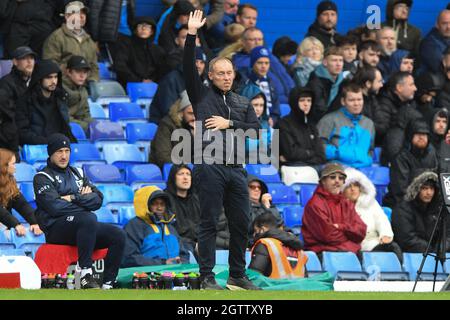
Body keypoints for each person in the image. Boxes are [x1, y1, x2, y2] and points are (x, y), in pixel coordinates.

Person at [184, 10, 261, 290]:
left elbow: (256, 130)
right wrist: (192, 35)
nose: (226, 77)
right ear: (211, 76)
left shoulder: (242, 101)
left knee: (242, 224)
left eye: (230, 73)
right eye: (221, 73)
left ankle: (237, 275)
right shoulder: (201, 96)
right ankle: (206, 277)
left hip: (237, 169)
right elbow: (187, 69)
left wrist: (229, 123)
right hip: (209, 166)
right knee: (209, 224)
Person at [33, 133, 126, 289]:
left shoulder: (78, 173)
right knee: (88, 218)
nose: (64, 156)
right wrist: (83, 200)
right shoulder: (42, 177)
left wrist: (72, 198)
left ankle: (109, 282)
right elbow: (55, 208)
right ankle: (85, 273)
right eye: (59, 152)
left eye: (67, 151)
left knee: (118, 234)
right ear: (51, 153)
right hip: (56, 228)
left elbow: (98, 199)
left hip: (82, 227)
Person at [302, 163, 367, 254]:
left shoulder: (346, 203)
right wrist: (350, 237)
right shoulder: (315, 204)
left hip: (346, 250)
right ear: (323, 181)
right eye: (332, 177)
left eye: (341, 178)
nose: (337, 181)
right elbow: (328, 236)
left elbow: (361, 231)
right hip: (322, 253)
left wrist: (341, 227)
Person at [343, 168, 403, 262]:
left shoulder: (370, 202)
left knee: (393, 248)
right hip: (357, 246)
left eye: (355, 185)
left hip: (375, 242)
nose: (353, 189)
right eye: (348, 186)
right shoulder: (340, 206)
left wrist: (385, 235)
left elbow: (382, 220)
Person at [122, 185, 189, 267]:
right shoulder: (134, 226)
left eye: (162, 204)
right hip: (146, 277)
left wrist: (181, 262)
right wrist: (163, 263)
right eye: (155, 204)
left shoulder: (170, 227)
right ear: (145, 205)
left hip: (174, 275)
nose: (160, 208)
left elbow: (184, 254)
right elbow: (129, 258)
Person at [15, 59, 77, 146]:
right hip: (36, 148)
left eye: (55, 77)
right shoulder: (25, 101)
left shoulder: (60, 98)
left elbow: (64, 128)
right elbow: (22, 133)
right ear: (39, 79)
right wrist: (46, 142)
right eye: (49, 77)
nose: (54, 81)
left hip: (58, 148)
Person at [317, 82, 375, 168]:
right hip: (337, 170)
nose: (356, 104)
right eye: (351, 100)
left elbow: (370, 150)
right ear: (343, 101)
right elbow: (318, 147)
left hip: (363, 169)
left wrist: (367, 159)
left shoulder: (369, 124)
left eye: (359, 99)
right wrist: (339, 153)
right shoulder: (329, 120)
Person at [383, 119, 438, 208]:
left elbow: (436, 183)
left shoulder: (432, 155)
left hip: (426, 203)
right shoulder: (400, 158)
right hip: (402, 205)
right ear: (410, 136)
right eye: (418, 134)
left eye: (424, 134)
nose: (421, 137)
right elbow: (400, 191)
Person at [391, 171, 450, 253]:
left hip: (434, 254)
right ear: (416, 189)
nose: (429, 193)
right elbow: (407, 239)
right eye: (424, 188)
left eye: (431, 189)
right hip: (412, 255)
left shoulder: (439, 208)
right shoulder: (403, 209)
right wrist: (431, 252)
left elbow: (447, 234)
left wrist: (441, 249)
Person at [232, 27, 295, 103]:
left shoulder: (270, 57)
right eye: (252, 39)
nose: (257, 42)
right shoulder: (240, 62)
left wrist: (294, 96)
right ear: (243, 42)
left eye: (259, 39)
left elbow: (284, 75)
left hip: (287, 101)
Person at [42, 1, 99, 82]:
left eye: (83, 13)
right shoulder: (56, 38)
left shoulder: (89, 41)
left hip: (85, 88)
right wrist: (69, 79)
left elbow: (94, 67)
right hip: (63, 86)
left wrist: (92, 82)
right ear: (67, 16)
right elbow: (50, 66)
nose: (82, 16)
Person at [149, 47, 207, 124]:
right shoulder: (171, 79)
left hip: (191, 124)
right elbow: (169, 111)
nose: (198, 66)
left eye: (202, 62)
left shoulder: (204, 82)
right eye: (195, 61)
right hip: (166, 125)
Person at [277, 87, 326, 168]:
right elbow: (291, 153)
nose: (306, 104)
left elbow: (321, 156)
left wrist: (307, 154)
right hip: (293, 169)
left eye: (309, 100)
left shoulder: (312, 126)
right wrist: (312, 153)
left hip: (313, 167)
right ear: (294, 102)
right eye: (302, 100)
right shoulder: (283, 124)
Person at [113, 16, 168, 88]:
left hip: (152, 86)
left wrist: (152, 81)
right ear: (135, 30)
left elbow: (162, 70)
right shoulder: (125, 46)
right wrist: (139, 81)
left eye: (148, 26)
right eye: (140, 25)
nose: (144, 28)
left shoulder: (158, 50)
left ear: (152, 31)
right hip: (128, 86)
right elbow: (120, 66)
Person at [0, 47, 36, 154]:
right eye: (25, 58)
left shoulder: (36, 82)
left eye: (32, 58)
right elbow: (9, 116)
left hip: (32, 133)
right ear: (15, 62)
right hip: (16, 137)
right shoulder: (6, 84)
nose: (30, 62)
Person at [249, 213, 307, 279]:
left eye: (256, 231)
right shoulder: (299, 248)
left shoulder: (265, 244)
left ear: (263, 229)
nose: (254, 235)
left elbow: (253, 276)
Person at [0, 148, 43, 237]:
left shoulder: (9, 182)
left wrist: (35, 222)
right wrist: (16, 224)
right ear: (3, 166)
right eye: (13, 164)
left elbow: (22, 205)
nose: (15, 168)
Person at [374, 71, 420, 153]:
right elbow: (382, 132)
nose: (415, 88)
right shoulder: (384, 103)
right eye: (411, 85)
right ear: (399, 88)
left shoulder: (410, 103)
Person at [149, 91, 195, 168]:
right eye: (190, 113)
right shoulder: (167, 125)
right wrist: (184, 169)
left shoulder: (198, 126)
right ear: (181, 112)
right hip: (168, 172)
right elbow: (163, 157)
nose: (194, 117)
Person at [165, 164, 201, 259]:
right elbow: (169, 231)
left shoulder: (197, 199)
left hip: (199, 243)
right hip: (180, 244)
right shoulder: (165, 200)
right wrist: (194, 244)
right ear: (173, 177)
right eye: (181, 174)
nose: (185, 177)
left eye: (188, 174)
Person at [239, 46, 281, 123]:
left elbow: (276, 109)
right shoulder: (244, 81)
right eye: (260, 63)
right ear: (252, 63)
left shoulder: (271, 82)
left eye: (266, 63)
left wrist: (273, 120)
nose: (263, 66)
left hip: (270, 124)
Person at [306, 46, 345, 122]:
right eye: (334, 60)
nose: (338, 64)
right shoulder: (315, 83)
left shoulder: (344, 82)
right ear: (325, 62)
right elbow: (319, 112)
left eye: (341, 60)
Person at [247, 175, 282, 246]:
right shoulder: (241, 206)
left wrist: (268, 207)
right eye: (252, 187)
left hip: (273, 242)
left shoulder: (267, 205)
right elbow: (250, 226)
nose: (257, 189)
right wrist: (265, 207)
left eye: (259, 188)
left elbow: (279, 222)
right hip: (253, 244)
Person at [62, 55, 92, 133]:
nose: (82, 76)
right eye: (78, 71)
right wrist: (87, 126)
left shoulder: (83, 90)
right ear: (68, 72)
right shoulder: (59, 89)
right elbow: (62, 117)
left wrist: (95, 125)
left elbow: (86, 114)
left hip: (79, 126)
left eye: (85, 72)